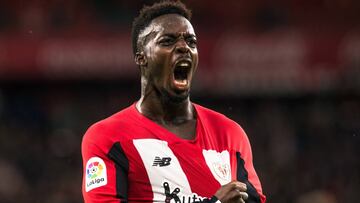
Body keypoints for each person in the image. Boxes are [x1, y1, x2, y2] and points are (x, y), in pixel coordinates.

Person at [81, 1, 266, 202]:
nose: (184, 47)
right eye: (168, 41)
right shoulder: (107, 138)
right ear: (141, 57)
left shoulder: (229, 135)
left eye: (191, 42)